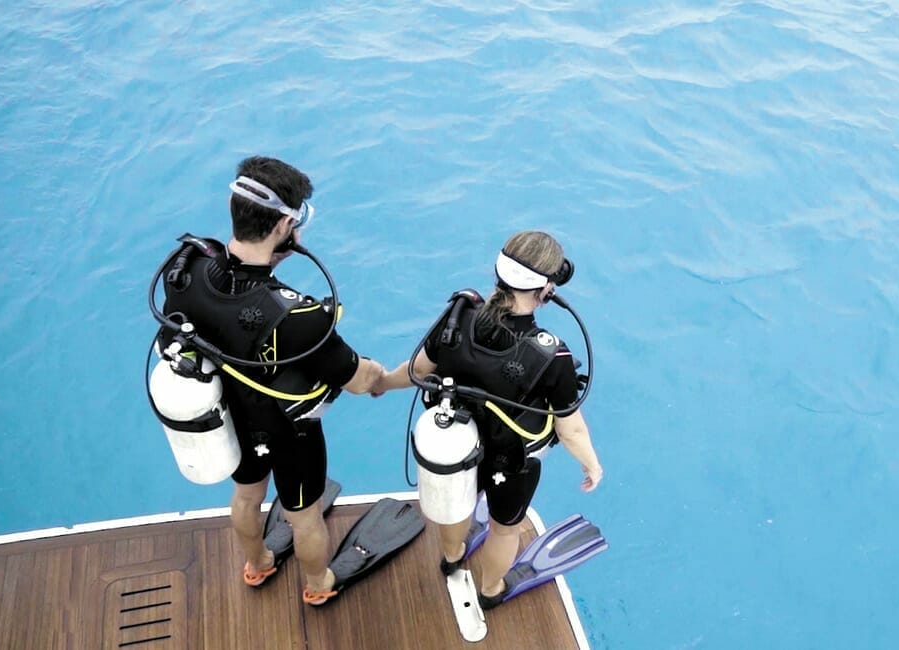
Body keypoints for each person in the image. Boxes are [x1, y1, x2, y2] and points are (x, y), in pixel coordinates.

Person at [157, 156, 387, 604]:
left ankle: (258, 564)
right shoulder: (298, 317)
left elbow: (227, 304)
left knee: (247, 495)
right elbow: (358, 379)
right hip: (288, 431)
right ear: (285, 224)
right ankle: (319, 584)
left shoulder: (188, 268)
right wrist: (389, 377)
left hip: (226, 418)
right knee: (303, 517)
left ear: (233, 205)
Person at [374, 230, 604, 608]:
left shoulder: (458, 315)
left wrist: (382, 382)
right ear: (546, 289)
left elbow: (415, 369)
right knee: (503, 529)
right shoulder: (551, 356)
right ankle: (491, 590)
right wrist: (591, 465)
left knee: (456, 507)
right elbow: (571, 427)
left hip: (455, 445)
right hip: (507, 461)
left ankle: (452, 558)